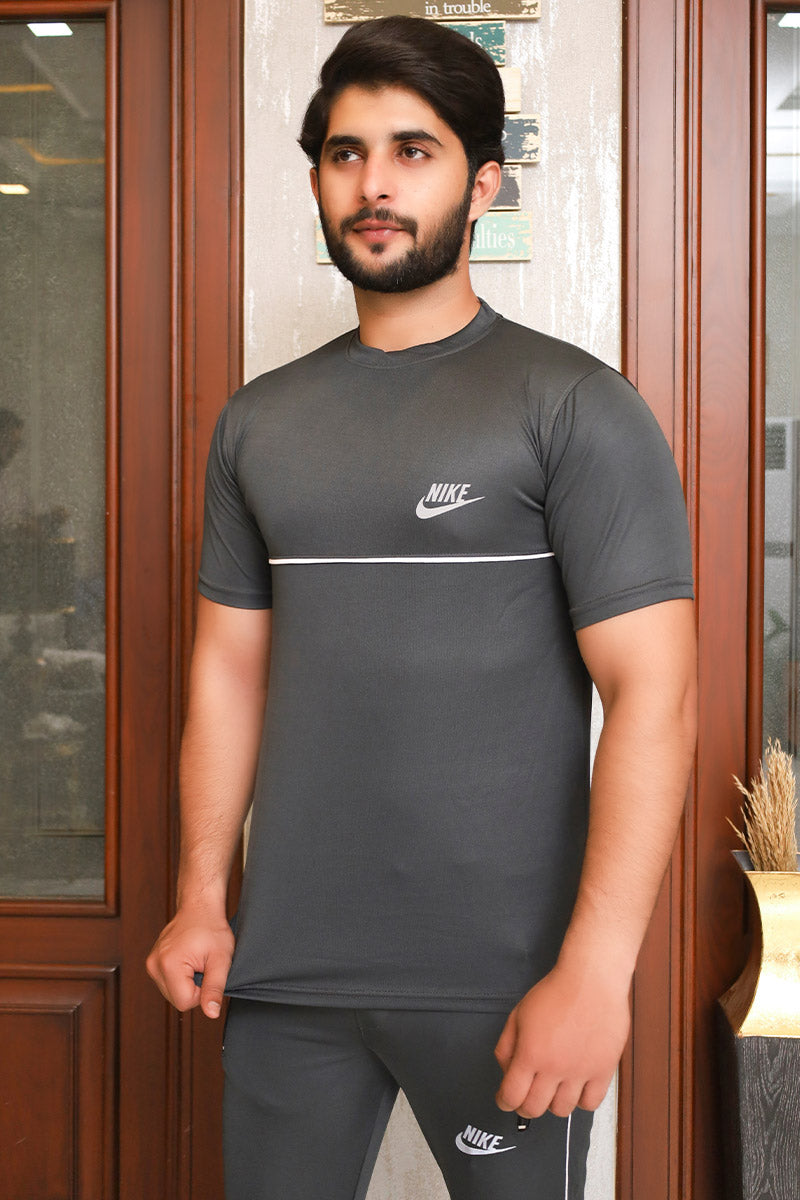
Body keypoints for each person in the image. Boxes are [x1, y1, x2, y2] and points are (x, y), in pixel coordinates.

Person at [147, 16, 697, 1200]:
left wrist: (595, 973)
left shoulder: (574, 406)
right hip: (286, 975)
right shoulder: (257, 423)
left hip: (506, 983)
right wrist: (200, 896)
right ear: (316, 181)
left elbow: (654, 695)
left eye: (414, 150)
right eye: (346, 154)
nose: (374, 185)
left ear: (480, 183)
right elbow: (227, 675)